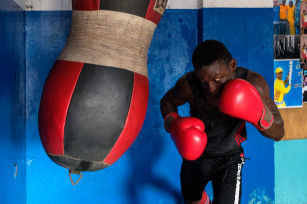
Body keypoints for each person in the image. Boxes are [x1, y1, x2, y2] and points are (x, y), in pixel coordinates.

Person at [160, 40, 285, 204]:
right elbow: (167, 102)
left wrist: (258, 114)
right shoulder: (189, 84)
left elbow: (279, 132)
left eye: (217, 79)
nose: (211, 88)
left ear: (233, 65)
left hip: (230, 159)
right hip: (195, 157)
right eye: (204, 82)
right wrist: (174, 124)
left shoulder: (253, 84)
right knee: (192, 201)